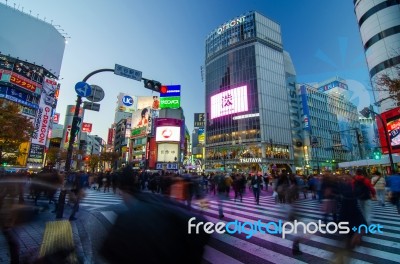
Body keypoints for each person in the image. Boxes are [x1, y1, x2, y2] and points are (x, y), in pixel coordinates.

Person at [99, 164, 210, 263]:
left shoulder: (126, 218)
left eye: (120, 192)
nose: (120, 195)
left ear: (122, 188)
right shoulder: (157, 200)